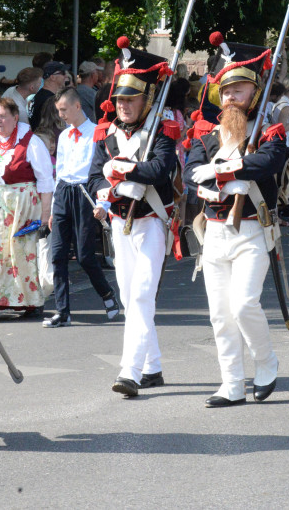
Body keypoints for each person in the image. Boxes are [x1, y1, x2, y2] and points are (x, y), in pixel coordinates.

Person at [185, 33, 287, 407]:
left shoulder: (267, 131)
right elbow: (190, 171)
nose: (231, 97)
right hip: (214, 231)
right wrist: (214, 175)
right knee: (220, 314)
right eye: (226, 90)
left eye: (240, 89)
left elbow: (271, 161)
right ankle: (231, 383)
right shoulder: (207, 134)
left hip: (252, 230)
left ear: (254, 94)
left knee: (243, 304)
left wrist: (229, 168)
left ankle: (266, 363)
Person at [88, 40, 178, 398]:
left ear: (146, 99)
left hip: (152, 221)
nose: (124, 105)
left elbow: (159, 170)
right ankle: (152, 366)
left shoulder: (162, 131)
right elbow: (94, 177)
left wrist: (121, 173)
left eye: (131, 99)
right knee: (129, 296)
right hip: (118, 223)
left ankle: (130, 371)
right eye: (120, 99)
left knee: (141, 295)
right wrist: (104, 192)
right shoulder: (106, 135)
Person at [0, 97, 54, 320]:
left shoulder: (31, 143)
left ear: (15, 118)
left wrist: (45, 218)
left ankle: (30, 303)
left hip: (23, 208)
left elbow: (46, 182)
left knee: (22, 255)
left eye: (3, 116)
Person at [44, 87, 119, 327]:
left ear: (78, 106)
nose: (61, 115)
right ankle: (62, 311)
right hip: (65, 192)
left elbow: (104, 172)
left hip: (85, 191)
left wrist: (103, 203)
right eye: (58, 111)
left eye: (64, 110)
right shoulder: (65, 135)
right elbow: (60, 171)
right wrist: (55, 207)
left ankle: (107, 294)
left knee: (86, 256)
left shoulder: (98, 133)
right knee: (57, 255)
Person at [29, 61, 68, 131]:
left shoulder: (40, 95)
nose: (66, 76)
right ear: (52, 77)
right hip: (45, 139)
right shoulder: (49, 99)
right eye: (63, 73)